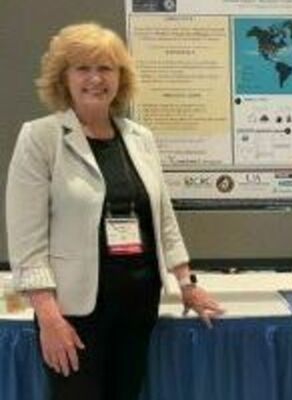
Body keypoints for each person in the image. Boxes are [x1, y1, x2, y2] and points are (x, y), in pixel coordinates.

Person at [5, 22, 224, 400]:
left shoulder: (141, 139)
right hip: (74, 316)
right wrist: (49, 318)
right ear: (64, 78)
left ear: (120, 78)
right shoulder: (40, 138)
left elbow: (163, 219)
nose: (95, 78)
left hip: (137, 308)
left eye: (106, 68)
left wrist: (187, 285)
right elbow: (27, 239)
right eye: (83, 68)